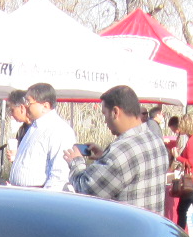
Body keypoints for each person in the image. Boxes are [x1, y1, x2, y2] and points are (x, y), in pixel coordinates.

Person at [60, 85, 171, 214]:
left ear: (115, 112)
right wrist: (104, 156)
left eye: (104, 114)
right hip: (153, 227)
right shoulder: (155, 140)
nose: (105, 121)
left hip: (127, 230)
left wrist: (76, 162)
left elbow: (86, 189)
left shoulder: (122, 151)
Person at [8, 82, 75, 190]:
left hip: (38, 196)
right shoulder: (34, 127)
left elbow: (59, 174)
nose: (25, 106)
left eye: (29, 102)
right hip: (23, 194)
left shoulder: (58, 130)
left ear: (45, 106)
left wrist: (44, 202)